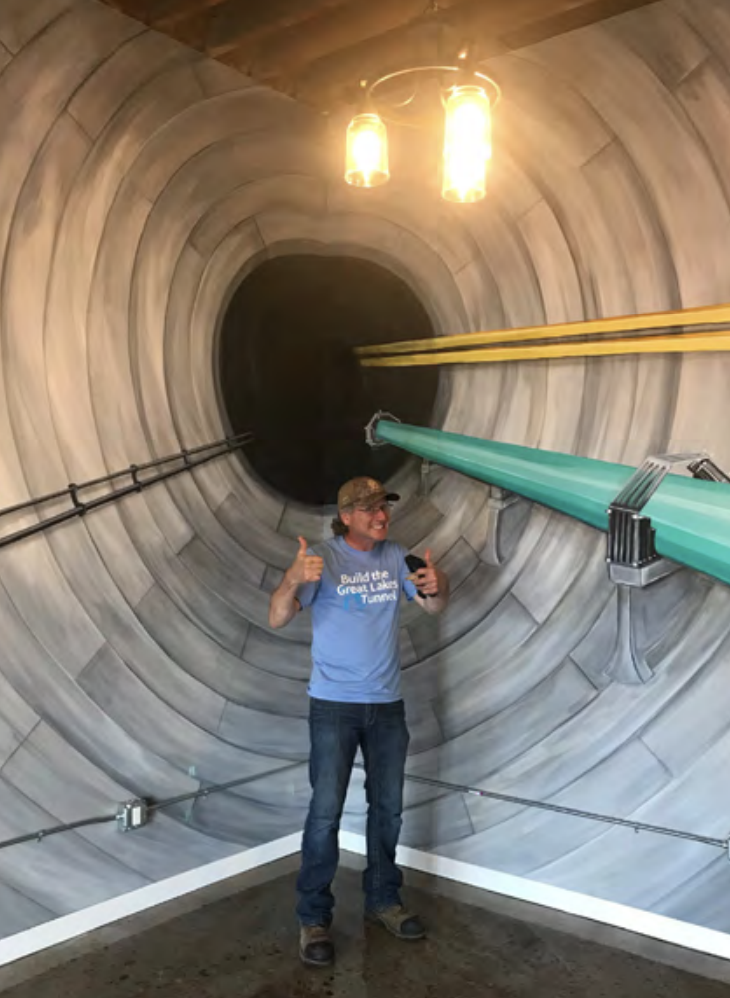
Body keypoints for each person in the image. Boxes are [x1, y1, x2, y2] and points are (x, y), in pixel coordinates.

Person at [268, 476, 450, 967]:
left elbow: (433, 604)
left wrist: (437, 586)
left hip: (386, 707)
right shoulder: (321, 560)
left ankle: (383, 900)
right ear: (346, 515)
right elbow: (277, 618)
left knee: (387, 809)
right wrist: (291, 579)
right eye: (368, 508)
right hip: (333, 706)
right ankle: (314, 918)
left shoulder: (397, 556)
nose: (380, 514)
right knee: (325, 813)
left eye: (383, 506)